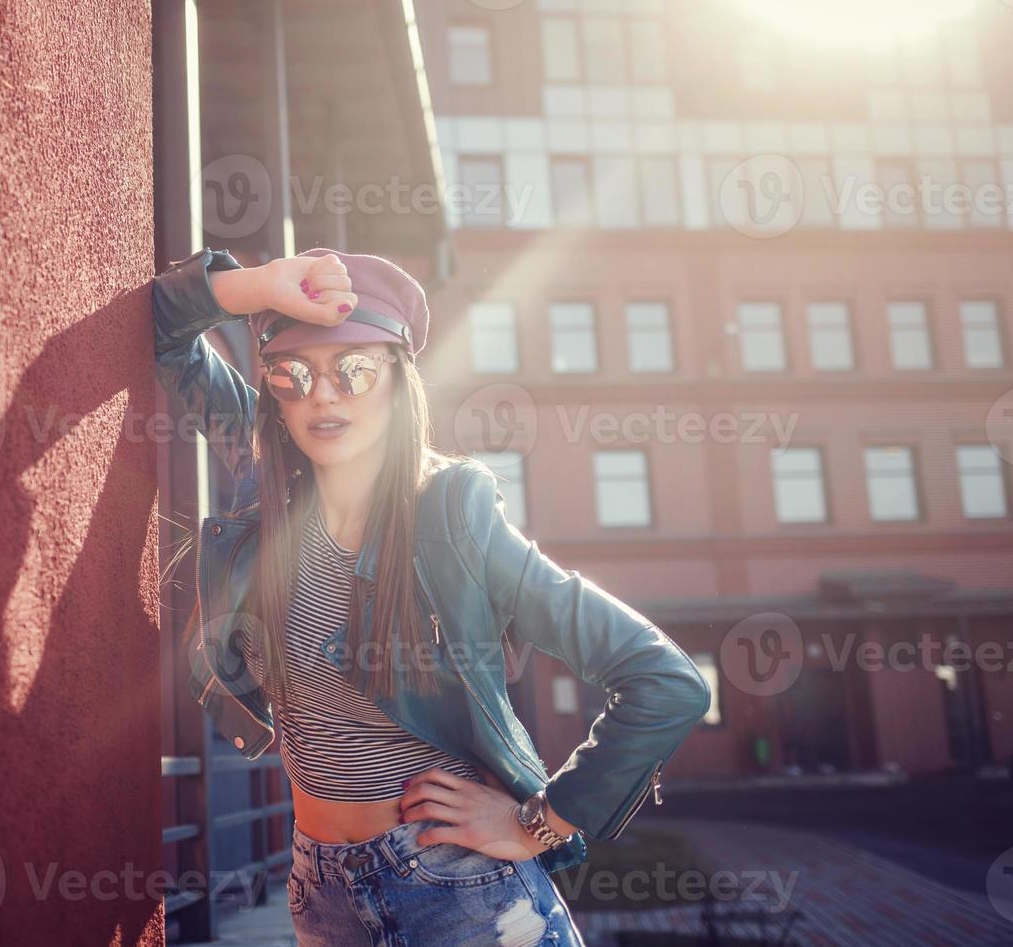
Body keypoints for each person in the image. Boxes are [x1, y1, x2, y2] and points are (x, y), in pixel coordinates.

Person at [154, 246, 712, 945]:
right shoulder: (265, 484)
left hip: (459, 892)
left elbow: (664, 681)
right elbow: (162, 329)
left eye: (353, 370)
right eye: (290, 374)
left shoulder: (453, 523)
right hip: (319, 888)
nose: (322, 395)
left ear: (398, 384)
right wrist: (262, 285)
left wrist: (539, 823)